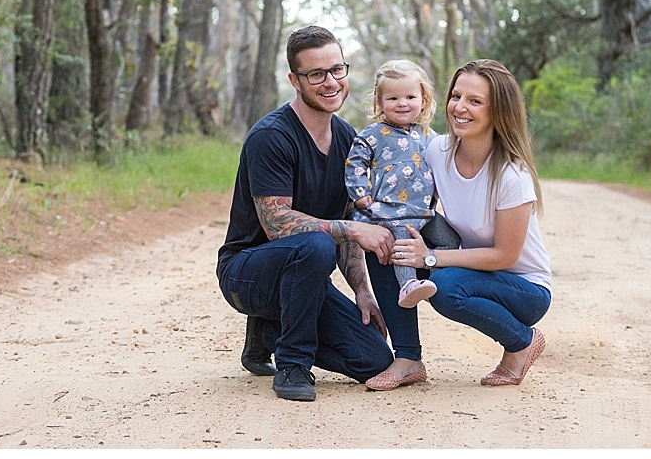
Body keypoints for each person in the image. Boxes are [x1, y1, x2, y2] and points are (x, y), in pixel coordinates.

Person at [216, 26, 395, 402]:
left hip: (304, 280)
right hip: (247, 274)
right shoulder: (272, 136)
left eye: (337, 70)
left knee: (375, 359)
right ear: (294, 80)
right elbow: (276, 222)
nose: (330, 83)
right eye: (316, 74)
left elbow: (346, 226)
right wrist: (349, 229)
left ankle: (267, 333)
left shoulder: (349, 139)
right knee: (314, 245)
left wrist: (363, 291)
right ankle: (293, 366)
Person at [391, 59, 551, 387]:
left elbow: (504, 256)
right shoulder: (438, 151)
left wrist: (431, 258)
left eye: (475, 101)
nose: (460, 107)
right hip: (479, 276)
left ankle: (522, 343)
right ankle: (404, 357)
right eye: (456, 96)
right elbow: (410, 198)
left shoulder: (511, 174)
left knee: (446, 288)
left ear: (498, 111)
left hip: (526, 290)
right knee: (392, 241)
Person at [346, 60, 439, 310]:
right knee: (402, 242)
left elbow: (447, 166)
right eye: (393, 98)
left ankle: (438, 279)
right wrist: (360, 194)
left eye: (410, 96)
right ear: (380, 102)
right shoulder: (373, 134)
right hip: (392, 211)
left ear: (424, 99)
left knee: (449, 237)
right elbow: (355, 162)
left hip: (425, 212)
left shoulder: (431, 137)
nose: (402, 103)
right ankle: (408, 285)